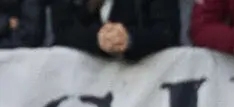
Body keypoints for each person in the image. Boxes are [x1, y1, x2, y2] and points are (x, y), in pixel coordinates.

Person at [50, 0, 179, 61]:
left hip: (144, 90)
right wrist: (96, 39)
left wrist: (130, 39)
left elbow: (167, 32)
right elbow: (62, 30)